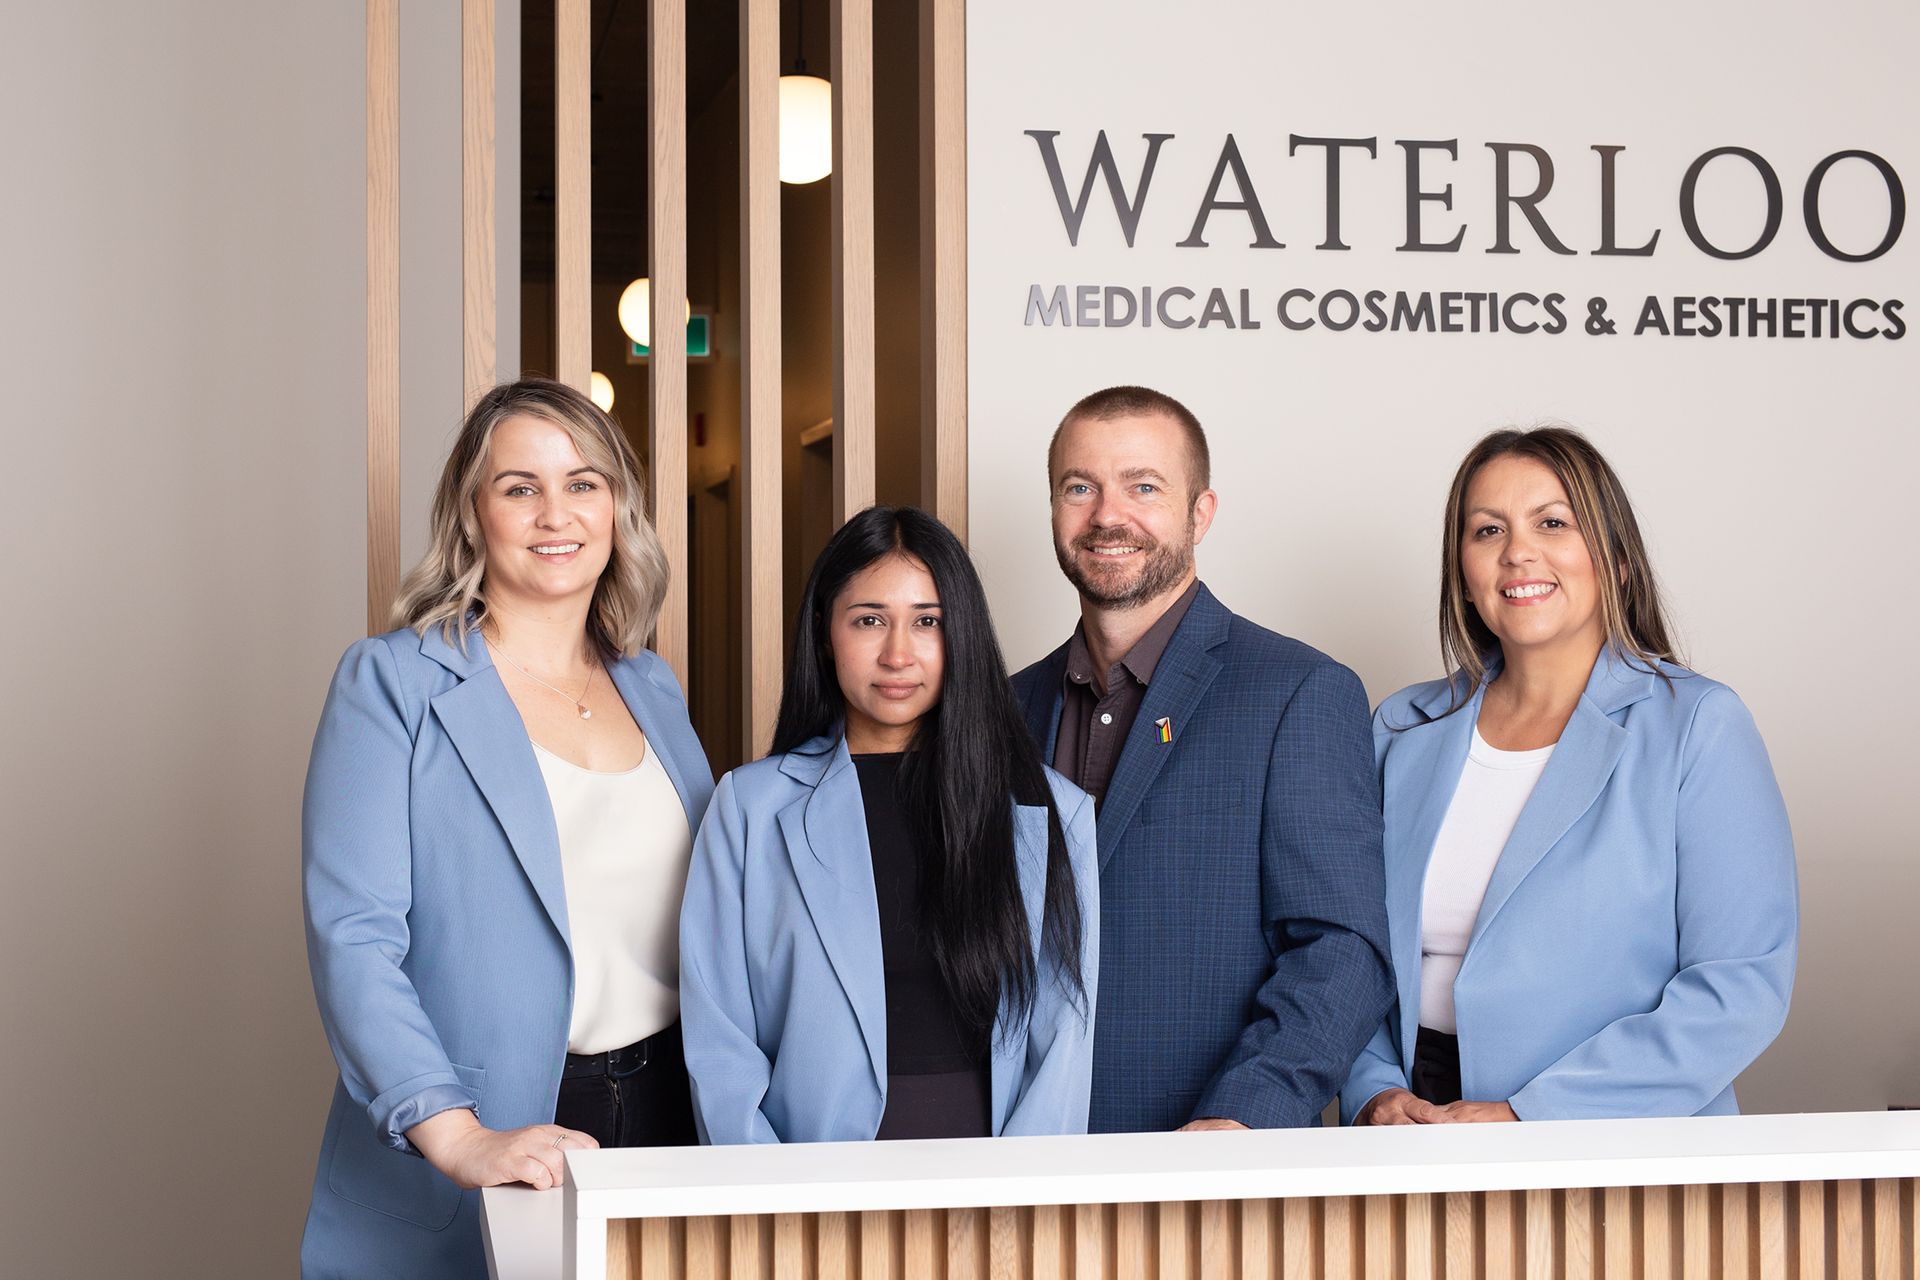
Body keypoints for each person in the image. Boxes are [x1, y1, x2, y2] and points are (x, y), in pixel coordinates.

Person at [300, 378, 715, 1278]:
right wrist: (457, 1137)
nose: (554, 513)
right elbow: (355, 940)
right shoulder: (391, 685)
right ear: (472, 514)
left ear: (618, 509)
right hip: (485, 1129)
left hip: (667, 1120)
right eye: (519, 486)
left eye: (584, 482)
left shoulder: (653, 687)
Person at [1342, 426, 1796, 1126]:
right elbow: (1350, 948)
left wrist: (1531, 1115)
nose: (1517, 551)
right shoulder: (1400, 728)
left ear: (1615, 560)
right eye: (1487, 530)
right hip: (1413, 1123)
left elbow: (1740, 986)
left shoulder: (1699, 725)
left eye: (1552, 523)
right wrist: (1372, 1089)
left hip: (1615, 1127)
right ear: (1463, 571)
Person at [1009, 385, 1392, 1133]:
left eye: (1143, 486)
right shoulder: (1004, 710)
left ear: (1201, 513)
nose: (1107, 516)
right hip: (1019, 1171)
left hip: (1214, 1171)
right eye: (1078, 488)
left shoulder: (1298, 693)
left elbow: (1342, 953)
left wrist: (1244, 1119)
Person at [680, 505, 1098, 1143]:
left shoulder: (1051, 811)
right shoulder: (749, 809)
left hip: (995, 1188)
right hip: (803, 1185)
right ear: (825, 633)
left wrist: (1022, 1201)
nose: (898, 654)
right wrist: (769, 1201)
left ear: (961, 635)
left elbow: (1063, 1038)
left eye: (927, 622)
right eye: (870, 620)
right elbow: (720, 1041)